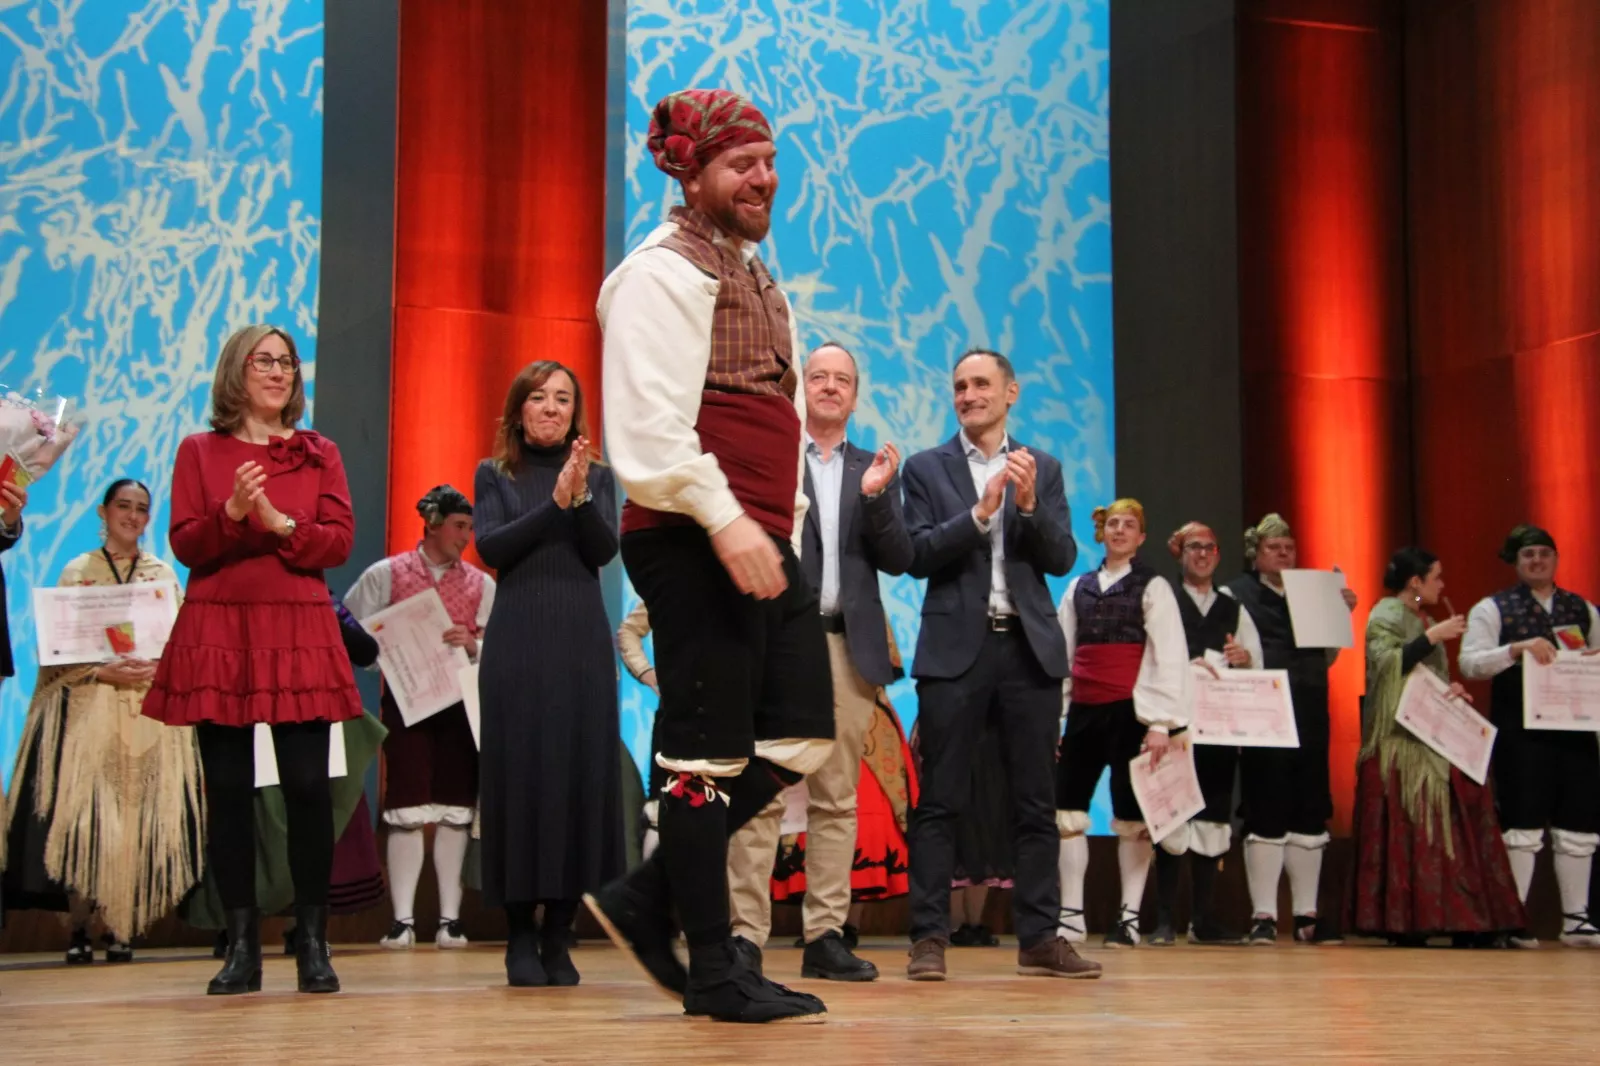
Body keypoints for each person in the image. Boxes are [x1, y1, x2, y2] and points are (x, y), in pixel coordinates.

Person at [590, 88, 833, 1024]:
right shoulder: (661, 269)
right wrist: (724, 519)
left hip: (760, 534)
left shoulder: (755, 272)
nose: (764, 178)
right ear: (690, 176)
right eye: (742, 164)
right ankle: (710, 971)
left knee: (801, 727)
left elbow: (775, 413)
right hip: (696, 535)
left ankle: (650, 898)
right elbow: (649, 426)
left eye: (770, 160)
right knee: (703, 758)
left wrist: (787, 524)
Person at [143, 324, 360, 995]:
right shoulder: (199, 451)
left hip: (298, 628)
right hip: (221, 630)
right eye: (264, 361)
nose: (278, 372)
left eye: (287, 363)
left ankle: (314, 944)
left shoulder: (319, 452)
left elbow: (338, 542)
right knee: (231, 793)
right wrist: (234, 513)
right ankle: (240, 947)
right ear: (236, 370)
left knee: (305, 789)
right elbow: (186, 543)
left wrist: (279, 525)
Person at [901, 347, 1097, 981]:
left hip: (1028, 648)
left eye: (982, 384)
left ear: (1011, 392)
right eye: (959, 385)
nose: (968, 394)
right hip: (956, 649)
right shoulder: (926, 468)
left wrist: (1031, 505)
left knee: (1036, 804)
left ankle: (1040, 937)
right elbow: (919, 552)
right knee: (939, 802)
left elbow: (1063, 557)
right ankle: (929, 937)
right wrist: (982, 512)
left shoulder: (1043, 466)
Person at [722, 341, 911, 982]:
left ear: (855, 396)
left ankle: (825, 936)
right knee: (762, 793)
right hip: (778, 642)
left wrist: (880, 498)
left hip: (845, 647)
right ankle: (745, 938)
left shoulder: (873, 467)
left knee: (836, 799)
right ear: (801, 387)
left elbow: (898, 556)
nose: (830, 387)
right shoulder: (773, 453)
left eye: (842, 380)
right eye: (819, 376)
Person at [2, 479, 203, 963]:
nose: (132, 516)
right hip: (92, 706)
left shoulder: (160, 574)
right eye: (123, 506)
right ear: (103, 511)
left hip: (146, 709)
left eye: (141, 509)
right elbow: (58, 649)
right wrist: (98, 670)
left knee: (136, 819)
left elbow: (180, 642)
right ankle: (78, 925)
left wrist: (159, 667)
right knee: (89, 817)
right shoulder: (79, 571)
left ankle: (121, 926)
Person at [474, 360, 623, 987]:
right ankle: (519, 935)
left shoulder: (599, 478)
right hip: (517, 645)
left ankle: (561, 931)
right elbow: (493, 547)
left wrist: (579, 494)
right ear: (518, 409)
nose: (552, 408)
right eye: (539, 397)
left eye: (564, 399)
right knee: (520, 779)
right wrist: (553, 503)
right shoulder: (496, 473)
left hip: (580, 647)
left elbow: (602, 549)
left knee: (577, 780)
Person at [1349, 546, 1526, 945]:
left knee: (1469, 793)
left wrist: (1452, 689)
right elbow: (1385, 664)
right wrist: (1432, 636)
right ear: (1416, 582)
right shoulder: (1386, 614)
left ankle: (1465, 919)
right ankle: (1413, 920)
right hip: (1402, 739)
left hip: (1432, 730)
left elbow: (1428, 676)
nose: (1442, 585)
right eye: (1437, 578)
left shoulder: (1421, 615)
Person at [344, 484, 494, 951]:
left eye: (470, 528)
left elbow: (501, 643)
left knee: (454, 807)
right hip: (408, 705)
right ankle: (403, 919)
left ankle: (450, 918)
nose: (465, 537)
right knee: (406, 807)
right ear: (432, 524)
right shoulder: (385, 575)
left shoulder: (480, 584)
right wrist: (386, 650)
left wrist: (472, 646)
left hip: (460, 707)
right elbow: (349, 628)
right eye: (458, 526)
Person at [1054, 499, 1188, 948]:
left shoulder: (1153, 587)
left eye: (1130, 525)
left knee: (1132, 815)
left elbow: (1167, 655)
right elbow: (1064, 653)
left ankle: (1128, 918)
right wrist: (1059, 715)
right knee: (1068, 809)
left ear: (1141, 536)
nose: (1120, 531)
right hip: (1085, 712)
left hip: (1132, 713)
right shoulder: (1079, 587)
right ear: (1101, 532)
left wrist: (1160, 723)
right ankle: (1070, 915)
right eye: (1113, 524)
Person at [1459, 524, 1600, 948]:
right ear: (1516, 563)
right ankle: (1514, 917)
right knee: (1522, 822)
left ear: (1556, 559)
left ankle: (1576, 919)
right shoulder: (1493, 609)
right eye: (1528, 555)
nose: (1536, 560)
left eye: (1543, 553)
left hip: (1575, 729)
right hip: (1522, 732)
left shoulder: (1584, 609)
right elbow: (1470, 664)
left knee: (1579, 822)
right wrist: (1516, 649)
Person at [1224, 513, 1357, 945]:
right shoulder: (1236, 594)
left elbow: (1328, 656)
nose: (1283, 553)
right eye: (1273, 548)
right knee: (1266, 806)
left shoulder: (1312, 593)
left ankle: (1306, 915)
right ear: (1255, 554)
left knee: (1310, 806)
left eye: (1289, 547)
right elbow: (1231, 653)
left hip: (1310, 706)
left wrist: (1340, 614)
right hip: (1264, 709)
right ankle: (1263, 915)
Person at [1149, 520, 1262, 946]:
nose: (1202, 554)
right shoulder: (1164, 602)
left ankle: (1202, 919)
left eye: (1209, 547)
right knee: (1170, 817)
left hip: (1217, 729)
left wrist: (1244, 656)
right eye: (1193, 547)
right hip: (1174, 726)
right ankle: (1163, 919)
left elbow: (1256, 663)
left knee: (1213, 817)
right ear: (1179, 553)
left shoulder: (1233, 608)